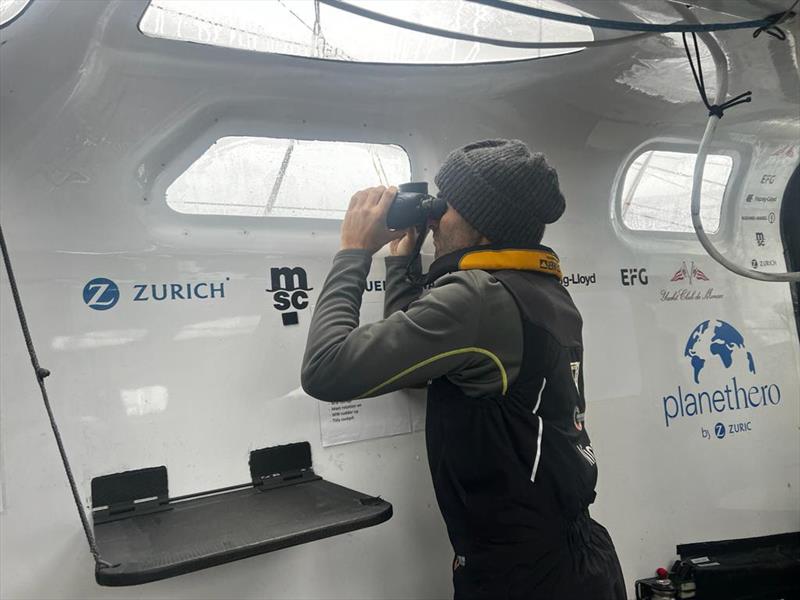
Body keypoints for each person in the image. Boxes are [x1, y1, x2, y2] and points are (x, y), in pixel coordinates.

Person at [301, 139, 626, 599]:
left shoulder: (477, 299)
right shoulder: (536, 287)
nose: (433, 217)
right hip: (570, 558)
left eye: (445, 207)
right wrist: (399, 266)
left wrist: (353, 251)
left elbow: (325, 369)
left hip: (525, 578)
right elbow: (418, 368)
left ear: (482, 223)